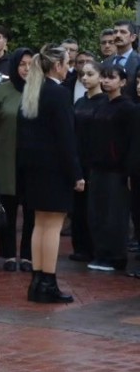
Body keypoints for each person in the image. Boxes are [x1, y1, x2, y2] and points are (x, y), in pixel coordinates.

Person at [18, 44, 83, 303]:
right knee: (52, 227)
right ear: (57, 65)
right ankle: (49, 282)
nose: (69, 67)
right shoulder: (58, 93)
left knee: (39, 225)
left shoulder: (33, 89)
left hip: (34, 170)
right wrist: (76, 173)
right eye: (67, 62)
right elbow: (67, 138)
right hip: (55, 170)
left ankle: (37, 281)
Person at [0, 48, 35, 272]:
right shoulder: (2, 91)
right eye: (22, 64)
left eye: (30, 64)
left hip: (34, 161)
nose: (26, 69)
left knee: (32, 209)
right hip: (6, 159)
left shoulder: (42, 91)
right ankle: (8, 254)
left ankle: (28, 255)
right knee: (8, 207)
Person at [87, 65, 129, 274]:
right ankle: (100, 253)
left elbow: (130, 142)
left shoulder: (128, 108)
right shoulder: (101, 105)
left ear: (122, 82)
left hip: (117, 170)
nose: (105, 81)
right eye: (103, 77)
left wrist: (128, 169)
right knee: (97, 213)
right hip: (97, 167)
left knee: (115, 215)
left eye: (111, 78)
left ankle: (116, 257)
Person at [70, 59, 104, 263]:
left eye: (90, 74)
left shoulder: (105, 102)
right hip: (78, 159)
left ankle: (95, 247)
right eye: (82, 74)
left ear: (100, 76)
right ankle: (80, 246)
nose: (85, 78)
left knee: (96, 207)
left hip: (96, 162)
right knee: (78, 207)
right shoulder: (79, 102)